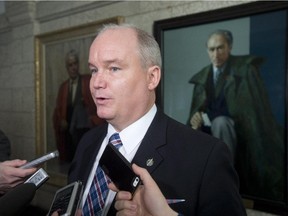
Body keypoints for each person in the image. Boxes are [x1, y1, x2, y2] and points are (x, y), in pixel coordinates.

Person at [66, 24, 246, 216]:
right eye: (94, 70)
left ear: (152, 77)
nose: (96, 83)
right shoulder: (87, 142)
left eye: (114, 68)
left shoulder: (207, 156)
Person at [188, 30, 284, 200]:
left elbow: (255, 112)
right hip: (208, 132)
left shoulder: (245, 70)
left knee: (221, 123)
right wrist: (196, 120)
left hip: (237, 131)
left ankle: (223, 181)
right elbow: (198, 110)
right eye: (211, 49)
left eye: (220, 48)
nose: (215, 54)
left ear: (229, 47)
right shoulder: (204, 76)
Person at [53, 49, 104, 162]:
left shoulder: (87, 81)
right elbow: (59, 109)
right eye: (70, 65)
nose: (73, 67)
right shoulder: (64, 87)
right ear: (67, 67)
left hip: (86, 128)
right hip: (69, 130)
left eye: (75, 63)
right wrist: (61, 119)